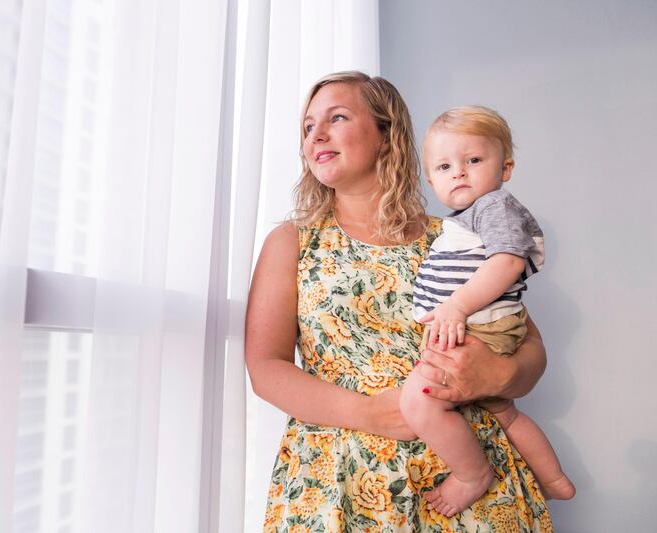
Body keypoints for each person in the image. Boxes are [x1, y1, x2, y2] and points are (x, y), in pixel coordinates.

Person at [245, 71, 553, 531]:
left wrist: (499, 374)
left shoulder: (456, 236)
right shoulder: (293, 241)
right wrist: (369, 413)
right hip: (340, 480)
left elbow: (529, 349)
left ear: (386, 135)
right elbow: (266, 369)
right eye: (309, 126)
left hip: (471, 482)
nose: (317, 135)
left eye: (338, 118)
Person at [401, 106, 575, 518]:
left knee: (418, 402)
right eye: (444, 166)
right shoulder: (466, 217)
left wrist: (456, 305)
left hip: (482, 327)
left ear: (506, 167)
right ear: (430, 180)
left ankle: (471, 475)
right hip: (484, 326)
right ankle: (553, 479)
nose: (458, 173)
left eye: (473, 160)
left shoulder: (493, 205)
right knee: (504, 412)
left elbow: (508, 261)